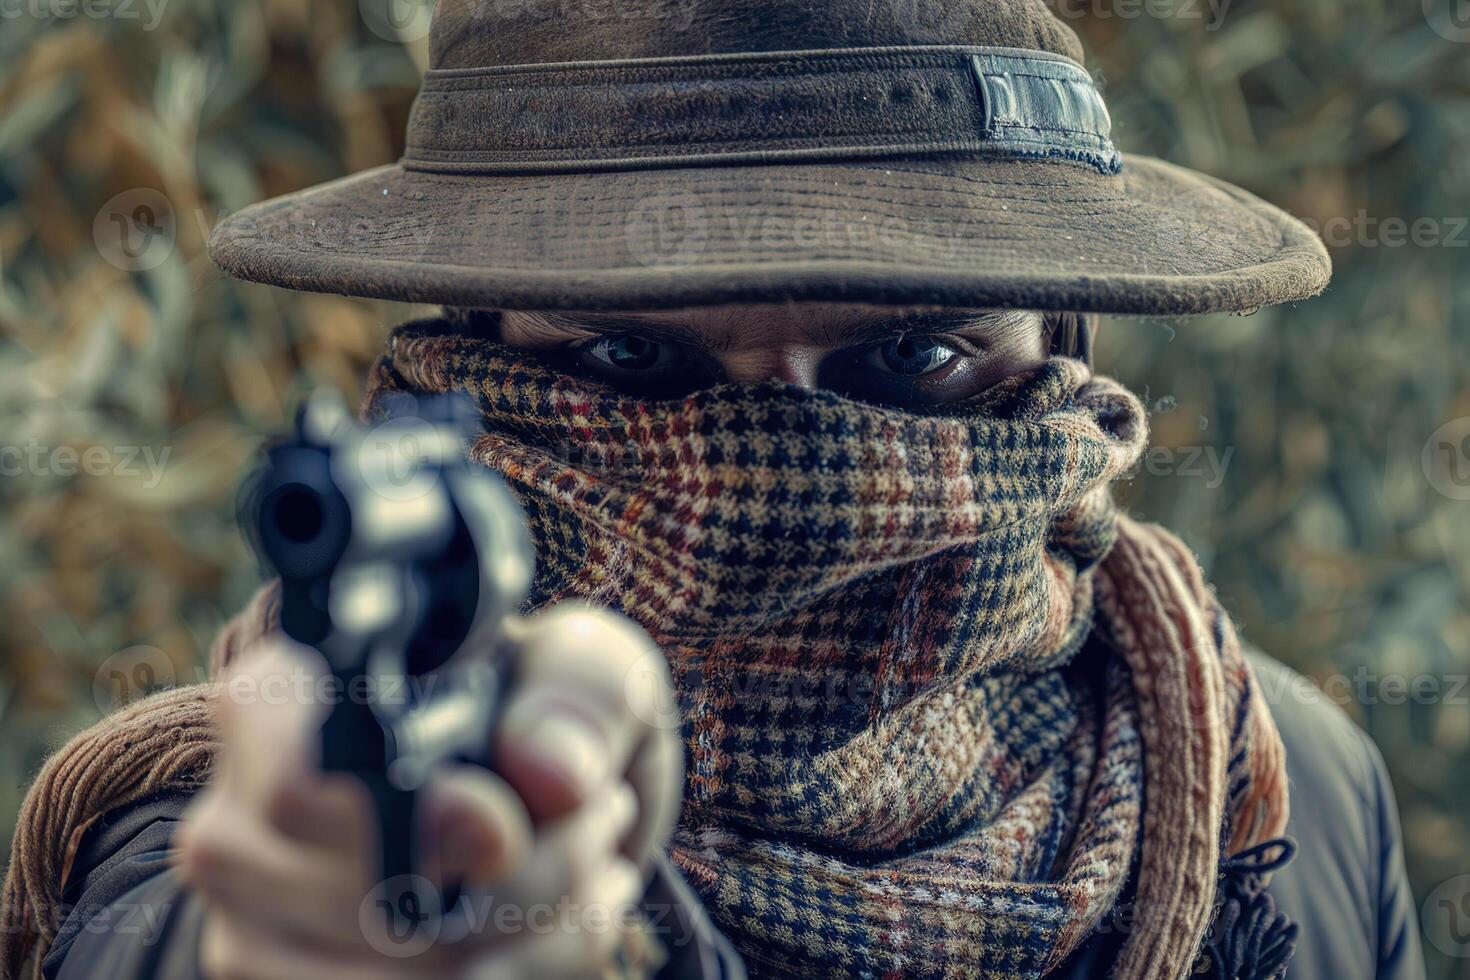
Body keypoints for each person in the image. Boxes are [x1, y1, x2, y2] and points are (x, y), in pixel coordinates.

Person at [0, 0, 1425, 978]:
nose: (778, 452)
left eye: (914, 351)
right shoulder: (254, 797)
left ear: (1061, 350)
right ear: (457, 368)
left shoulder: (1266, 780)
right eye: (626, 354)